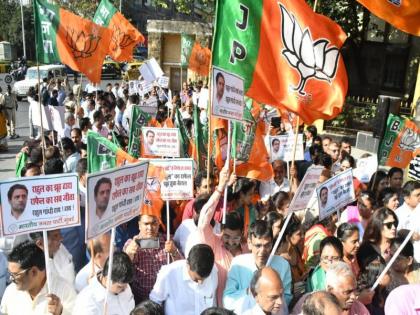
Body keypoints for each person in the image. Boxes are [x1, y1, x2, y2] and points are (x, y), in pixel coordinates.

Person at [194, 166, 248, 304]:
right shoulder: (214, 243)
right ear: (221, 231)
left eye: (235, 237)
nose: (230, 242)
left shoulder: (248, 249)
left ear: (242, 233)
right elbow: (203, 221)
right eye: (227, 236)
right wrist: (219, 189)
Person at [223, 220, 292, 309]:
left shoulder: (283, 265)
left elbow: (287, 297)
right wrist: (249, 291)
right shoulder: (238, 264)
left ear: (272, 244)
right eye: (258, 246)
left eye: (267, 245)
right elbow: (227, 300)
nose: (262, 251)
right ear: (249, 243)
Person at [1, 241, 76, 315]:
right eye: (10, 273)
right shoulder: (10, 292)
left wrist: (61, 312)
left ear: (33, 272)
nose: (11, 278)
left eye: (15, 275)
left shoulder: (65, 291)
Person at [124, 214, 182, 303]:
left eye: (154, 223)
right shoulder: (131, 244)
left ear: (159, 224)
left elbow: (182, 268)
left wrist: (174, 252)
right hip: (142, 299)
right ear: (139, 225)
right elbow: (123, 271)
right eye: (146, 224)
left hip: (166, 297)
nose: (150, 228)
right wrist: (128, 255)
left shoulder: (168, 240)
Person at [149, 244, 218, 315]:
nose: (200, 283)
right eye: (196, 279)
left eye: (204, 279)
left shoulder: (214, 271)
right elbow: (154, 304)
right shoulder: (169, 273)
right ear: (187, 264)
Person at [395, 180, 420, 262]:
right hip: (407, 259)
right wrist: (405, 233)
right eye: (417, 195)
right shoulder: (398, 214)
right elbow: (395, 234)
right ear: (407, 198)